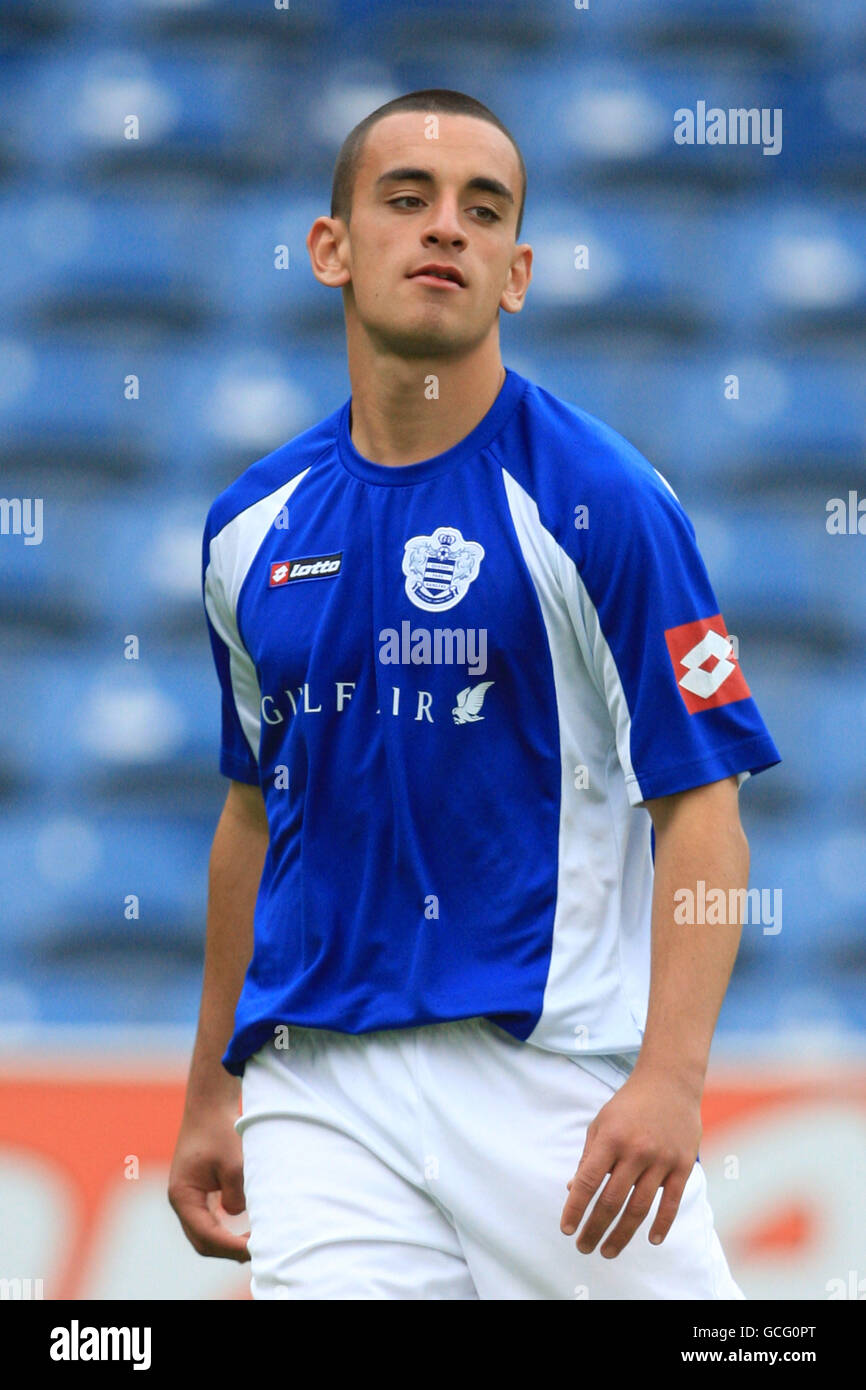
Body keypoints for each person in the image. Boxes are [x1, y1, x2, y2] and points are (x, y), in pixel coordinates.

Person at [168, 89, 781, 1300]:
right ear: (331, 247)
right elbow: (252, 819)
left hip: (552, 1085)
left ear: (516, 273)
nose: (444, 227)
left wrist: (669, 1075)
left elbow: (702, 816)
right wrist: (210, 1085)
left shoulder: (601, 501)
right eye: (407, 199)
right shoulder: (248, 528)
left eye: (481, 210)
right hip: (319, 1089)